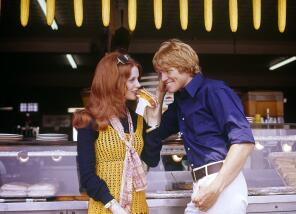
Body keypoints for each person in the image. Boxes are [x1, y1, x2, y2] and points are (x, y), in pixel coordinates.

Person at [150, 39, 255, 214]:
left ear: (185, 66)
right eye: (160, 73)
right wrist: (159, 96)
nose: (163, 78)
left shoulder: (214, 90)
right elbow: (155, 133)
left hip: (222, 184)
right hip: (200, 185)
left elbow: (244, 143)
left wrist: (216, 187)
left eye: (168, 71)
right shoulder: (181, 101)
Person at [73, 52, 161, 214]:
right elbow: (87, 176)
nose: (138, 85)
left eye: (138, 79)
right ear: (115, 82)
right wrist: (115, 207)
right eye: (132, 80)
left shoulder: (137, 120)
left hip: (139, 209)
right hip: (106, 209)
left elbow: (152, 160)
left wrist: (154, 122)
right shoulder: (89, 119)